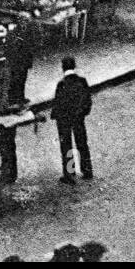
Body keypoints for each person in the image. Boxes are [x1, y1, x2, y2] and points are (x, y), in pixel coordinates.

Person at [52, 56, 93, 184]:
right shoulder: (82, 81)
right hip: (78, 117)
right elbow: (87, 100)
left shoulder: (61, 84)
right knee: (82, 143)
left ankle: (70, 173)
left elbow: (57, 103)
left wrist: (55, 115)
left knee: (67, 145)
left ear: (63, 68)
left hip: (64, 119)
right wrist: (82, 113)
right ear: (74, 66)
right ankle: (87, 170)